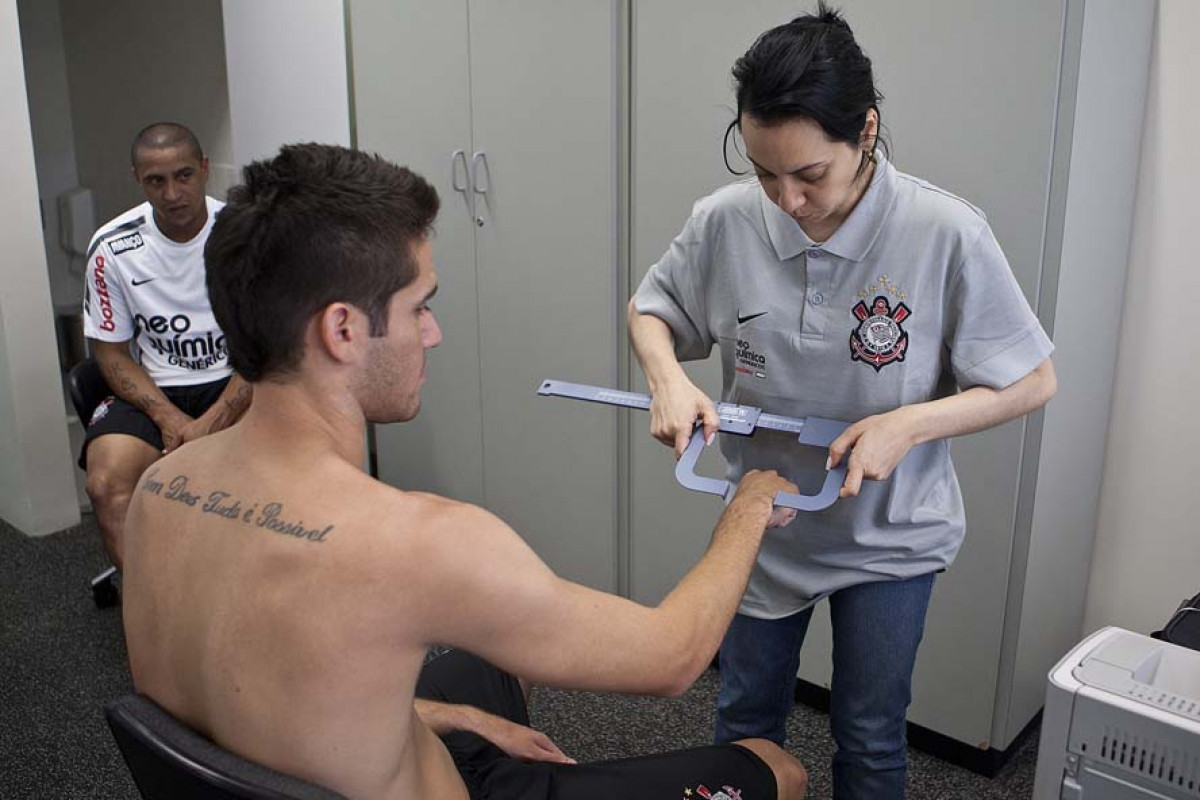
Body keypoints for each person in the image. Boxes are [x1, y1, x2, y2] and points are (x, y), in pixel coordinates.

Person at [120, 143, 808, 800]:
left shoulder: (160, 487)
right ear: (343, 331)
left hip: (332, 773)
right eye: (419, 307)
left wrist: (435, 715)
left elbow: (256, 695)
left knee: (500, 659)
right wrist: (748, 506)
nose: (433, 333)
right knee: (775, 768)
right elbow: (671, 658)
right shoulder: (421, 543)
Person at [627, 5, 1057, 798]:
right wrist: (668, 377)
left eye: (809, 175)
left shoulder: (945, 231)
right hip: (761, 520)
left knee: (869, 735)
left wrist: (914, 421)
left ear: (866, 132)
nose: (785, 199)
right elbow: (651, 309)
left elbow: (1033, 378)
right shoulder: (725, 223)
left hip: (889, 536)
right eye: (763, 172)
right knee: (744, 725)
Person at [81, 122, 250, 577]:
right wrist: (171, 419)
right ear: (138, 178)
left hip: (240, 382)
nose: (173, 193)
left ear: (205, 169)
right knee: (106, 483)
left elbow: (269, 347)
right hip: (157, 389)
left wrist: (214, 421)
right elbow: (112, 354)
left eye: (184, 175)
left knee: (282, 473)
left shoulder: (245, 233)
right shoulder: (113, 247)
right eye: (157, 180)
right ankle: (154, 619)